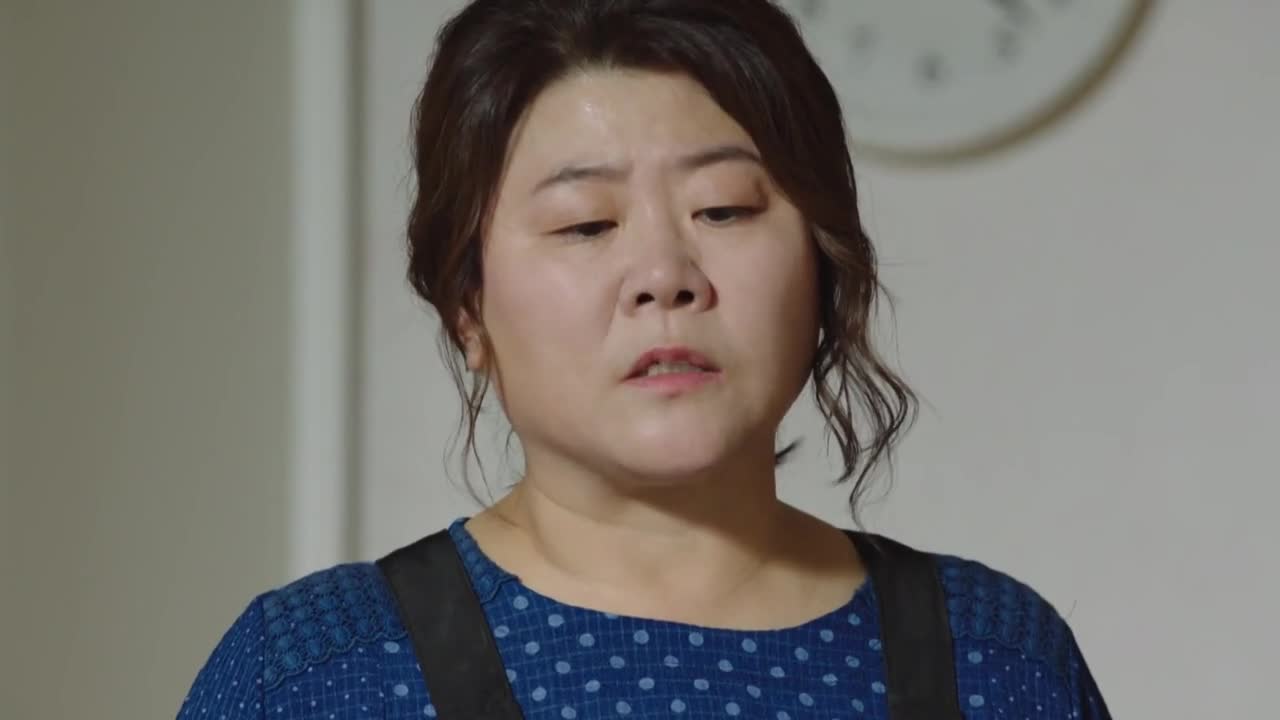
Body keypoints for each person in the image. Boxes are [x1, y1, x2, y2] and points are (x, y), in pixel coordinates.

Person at [177, 1, 1111, 718]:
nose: (665, 276)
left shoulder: (999, 660)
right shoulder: (318, 671)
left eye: (724, 210)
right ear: (468, 306)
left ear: (822, 264)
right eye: (587, 224)